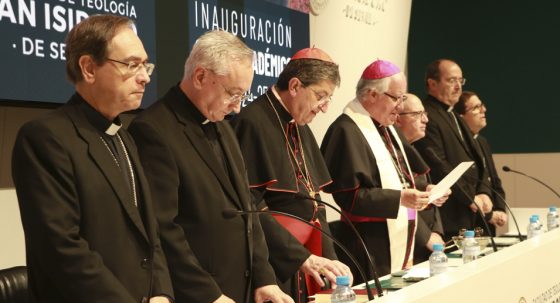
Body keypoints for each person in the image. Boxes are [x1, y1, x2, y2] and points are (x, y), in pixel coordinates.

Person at [11, 15, 173, 303]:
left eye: (145, 64)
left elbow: (149, 232)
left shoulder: (124, 136)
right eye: (131, 64)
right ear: (88, 68)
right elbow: (61, 248)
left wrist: (161, 291)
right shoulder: (46, 138)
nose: (145, 76)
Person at [129, 30, 292, 303]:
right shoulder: (154, 130)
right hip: (198, 295)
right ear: (201, 76)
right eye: (233, 93)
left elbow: (246, 209)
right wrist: (209, 294)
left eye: (243, 95)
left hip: (242, 290)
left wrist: (264, 277)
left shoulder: (223, 125)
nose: (238, 108)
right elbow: (163, 228)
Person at [230, 47, 352, 301]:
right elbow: (250, 205)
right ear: (295, 86)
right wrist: (298, 256)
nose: (324, 107)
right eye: (321, 96)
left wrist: (331, 261)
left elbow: (313, 200)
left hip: (307, 259)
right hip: (273, 264)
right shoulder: (252, 122)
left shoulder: (299, 124)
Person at [320, 60, 435, 280]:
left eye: (402, 98)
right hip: (369, 244)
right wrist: (400, 198)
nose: (400, 107)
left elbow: (405, 176)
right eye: (396, 98)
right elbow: (349, 197)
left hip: (400, 237)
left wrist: (428, 189)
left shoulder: (387, 128)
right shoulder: (346, 130)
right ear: (372, 95)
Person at [414, 59, 493, 241]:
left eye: (460, 80)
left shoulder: (453, 115)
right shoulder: (428, 115)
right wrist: (470, 197)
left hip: (470, 212)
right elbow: (438, 164)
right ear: (432, 83)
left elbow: (477, 159)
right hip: (450, 214)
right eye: (451, 80)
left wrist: (484, 192)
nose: (458, 86)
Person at [395, 93, 446, 264]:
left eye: (425, 114)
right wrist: (426, 236)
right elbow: (399, 199)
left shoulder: (416, 149)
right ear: (397, 119)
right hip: (409, 244)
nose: (425, 120)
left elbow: (425, 190)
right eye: (417, 114)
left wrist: (437, 230)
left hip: (430, 244)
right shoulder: (390, 155)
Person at [455, 91, 508, 236]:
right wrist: (489, 215)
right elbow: (469, 187)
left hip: (489, 223)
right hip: (472, 222)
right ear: (461, 117)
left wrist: (500, 209)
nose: (483, 110)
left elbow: (494, 180)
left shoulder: (482, 141)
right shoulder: (460, 147)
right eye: (476, 108)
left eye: (482, 105)